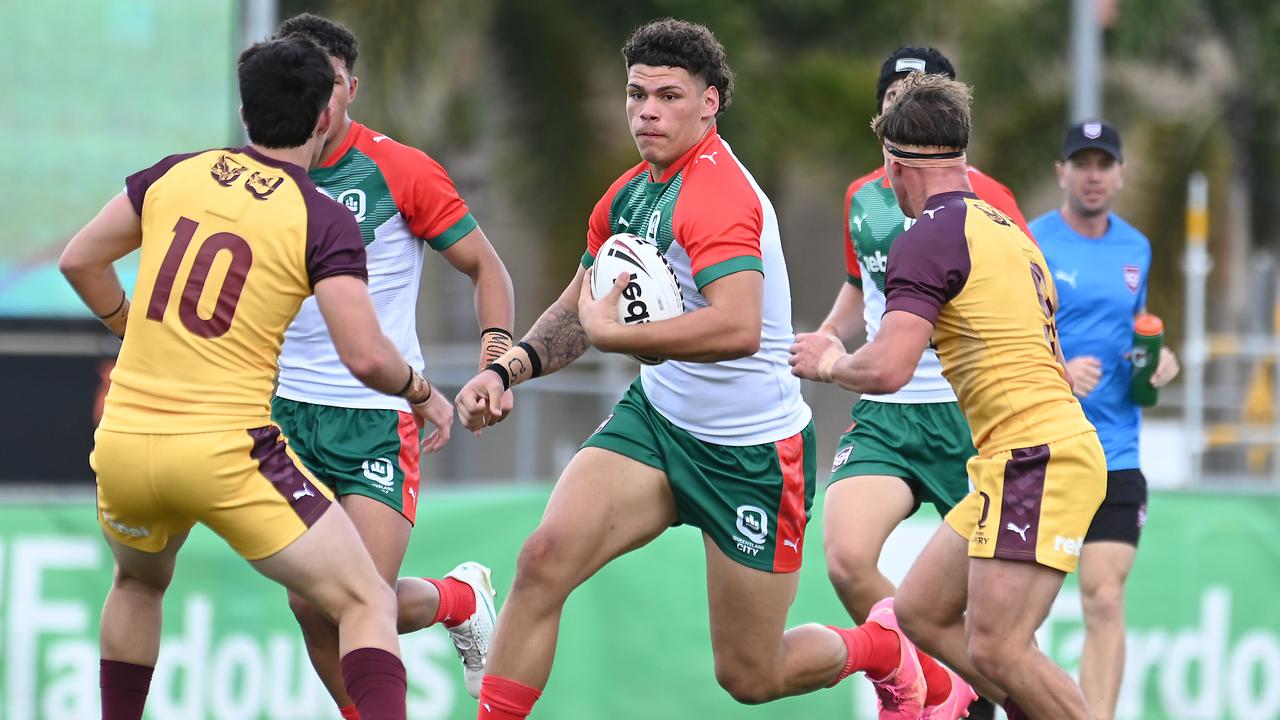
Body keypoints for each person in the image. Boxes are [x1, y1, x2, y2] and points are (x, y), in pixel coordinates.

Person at [454, 18, 930, 720]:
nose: (647, 110)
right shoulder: (628, 194)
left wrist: (619, 338)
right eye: (636, 94)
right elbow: (585, 302)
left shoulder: (718, 196)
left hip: (751, 454)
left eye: (669, 96)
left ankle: (881, 650)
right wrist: (508, 368)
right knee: (542, 561)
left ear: (710, 103)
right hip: (657, 424)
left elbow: (737, 326)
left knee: (751, 676)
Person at [59, 36, 455, 720]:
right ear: (323, 118)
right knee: (363, 599)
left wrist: (130, 325)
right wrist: (422, 392)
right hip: (223, 452)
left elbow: (78, 261)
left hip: (124, 443)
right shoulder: (320, 217)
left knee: (136, 586)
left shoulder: (174, 174)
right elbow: (364, 354)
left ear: (245, 112)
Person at [790, 72, 1106, 720]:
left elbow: (888, 368)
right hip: (1012, 460)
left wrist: (828, 362)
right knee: (922, 612)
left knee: (999, 647)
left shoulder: (927, 236)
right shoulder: (1005, 228)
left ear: (896, 166)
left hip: (1035, 458)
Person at [270, 14, 513, 715]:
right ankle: (455, 602)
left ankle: (459, 599)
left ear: (351, 88)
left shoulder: (397, 169)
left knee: (359, 599)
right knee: (311, 601)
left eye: (333, 83)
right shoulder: (262, 174)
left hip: (378, 414)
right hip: (286, 417)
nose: (319, 99)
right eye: (305, 83)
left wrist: (494, 362)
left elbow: (486, 268)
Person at [817, 46, 1032, 720]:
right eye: (893, 91)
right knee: (848, 560)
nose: (901, 101)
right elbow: (863, 289)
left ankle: (999, 691)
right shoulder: (860, 197)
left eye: (917, 90)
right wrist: (828, 336)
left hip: (967, 413)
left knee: (986, 619)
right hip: (888, 408)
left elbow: (1023, 291)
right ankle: (942, 686)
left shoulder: (985, 198)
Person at [1031, 120, 1180, 720]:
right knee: (1018, 616)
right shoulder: (1031, 239)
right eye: (1081, 163)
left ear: (1120, 174)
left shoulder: (1135, 248)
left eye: (1104, 164)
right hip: (1045, 447)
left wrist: (1159, 361)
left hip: (1116, 449)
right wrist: (1060, 371)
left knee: (1105, 595)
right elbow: (1010, 340)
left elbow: (1137, 328)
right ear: (1061, 172)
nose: (1093, 175)